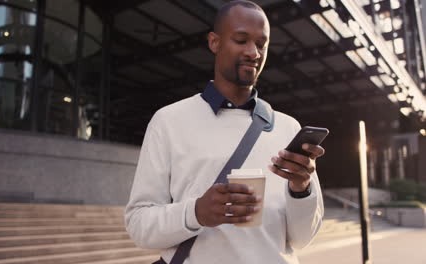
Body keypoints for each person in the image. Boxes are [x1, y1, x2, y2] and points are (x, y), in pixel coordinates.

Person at [125, 1, 325, 263]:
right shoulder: (169, 121)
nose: (254, 52)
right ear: (214, 43)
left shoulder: (289, 128)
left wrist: (301, 189)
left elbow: (302, 239)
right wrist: (195, 213)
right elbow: (138, 224)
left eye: (261, 44)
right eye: (241, 40)